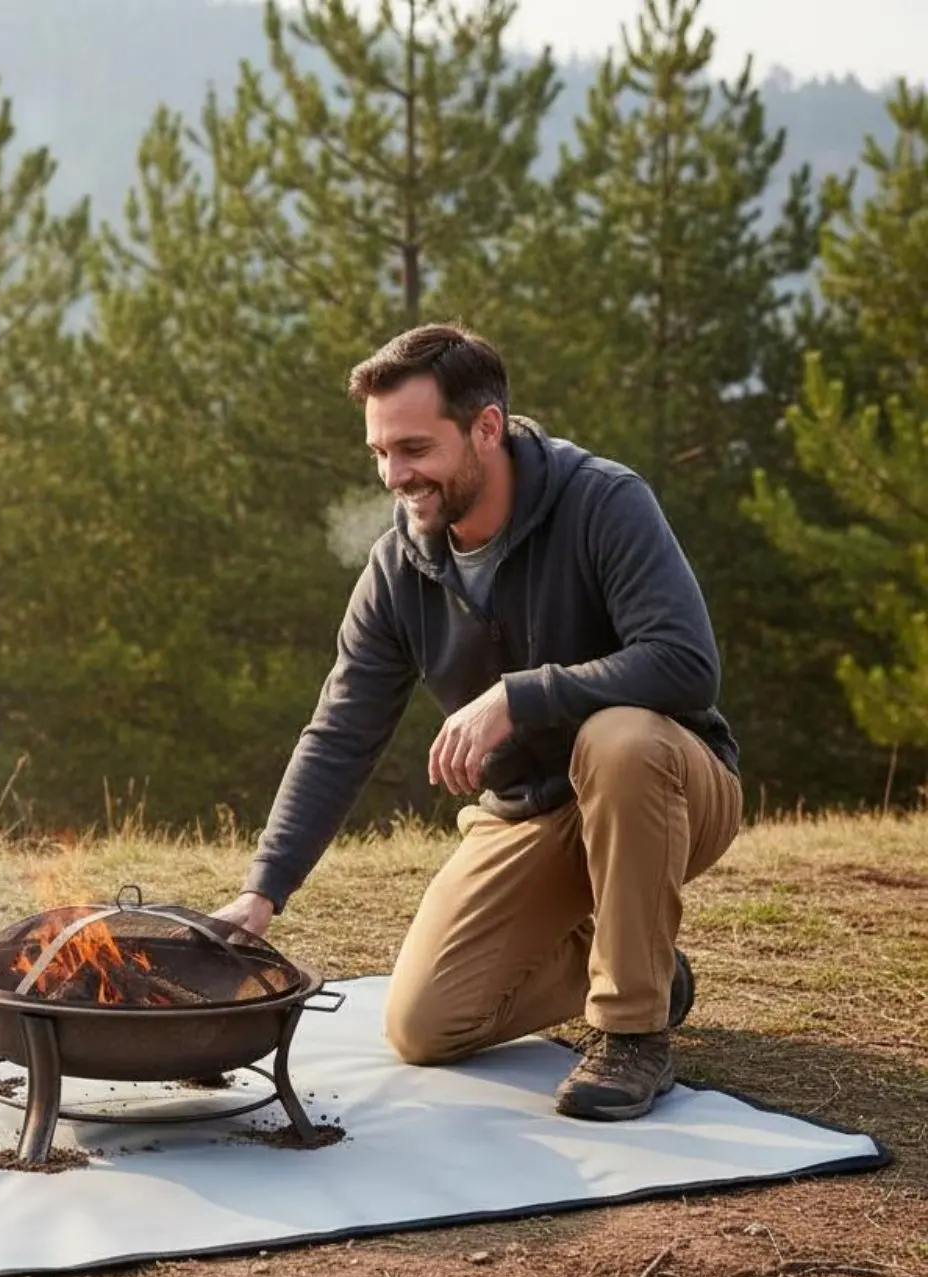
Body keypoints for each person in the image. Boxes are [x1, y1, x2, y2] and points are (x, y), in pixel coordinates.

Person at [213, 324, 743, 1121]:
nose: (397, 475)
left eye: (415, 449)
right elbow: (340, 732)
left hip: (668, 786)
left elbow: (684, 662)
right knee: (425, 1024)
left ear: (486, 428)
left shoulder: (603, 501)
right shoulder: (399, 569)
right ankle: (642, 962)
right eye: (381, 454)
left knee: (620, 737)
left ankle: (633, 1031)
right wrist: (262, 894)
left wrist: (517, 696)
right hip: (532, 812)